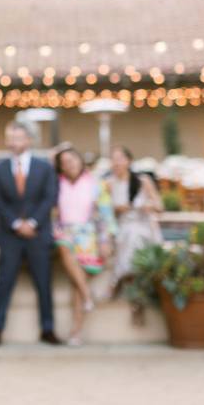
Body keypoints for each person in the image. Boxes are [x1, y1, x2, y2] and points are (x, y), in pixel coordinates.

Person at [0, 121, 60, 347]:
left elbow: (49, 197)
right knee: (4, 282)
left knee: (44, 283)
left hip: (39, 236)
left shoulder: (45, 167)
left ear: (28, 140)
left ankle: (47, 330)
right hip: (9, 236)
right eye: (11, 137)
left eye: (18, 137)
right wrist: (17, 224)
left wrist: (34, 223)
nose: (14, 142)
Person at [53, 147, 116, 346]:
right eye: (64, 162)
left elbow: (105, 214)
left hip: (89, 238)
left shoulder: (96, 183)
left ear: (80, 160)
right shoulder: (57, 184)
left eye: (72, 159)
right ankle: (89, 296)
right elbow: (52, 212)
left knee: (76, 285)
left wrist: (105, 240)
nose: (69, 164)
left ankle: (76, 332)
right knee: (63, 246)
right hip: (65, 233)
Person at [104, 146, 163, 311]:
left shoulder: (143, 181)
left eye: (120, 158)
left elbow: (160, 206)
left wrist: (148, 206)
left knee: (135, 234)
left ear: (129, 161)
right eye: (113, 159)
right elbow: (104, 214)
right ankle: (136, 293)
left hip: (144, 225)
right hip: (121, 227)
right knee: (131, 234)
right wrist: (117, 210)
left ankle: (118, 281)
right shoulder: (108, 184)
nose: (116, 163)